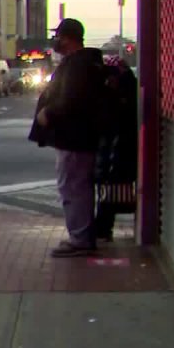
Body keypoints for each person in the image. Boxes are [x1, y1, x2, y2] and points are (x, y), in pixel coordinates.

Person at [28, 18, 112, 257]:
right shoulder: (83, 63)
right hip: (77, 137)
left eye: (59, 36)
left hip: (74, 138)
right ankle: (82, 236)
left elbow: (73, 99)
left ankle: (80, 239)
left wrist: (49, 112)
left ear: (68, 38)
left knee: (73, 187)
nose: (56, 40)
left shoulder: (78, 66)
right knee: (78, 186)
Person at [94, 57, 139, 241]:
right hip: (118, 151)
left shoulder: (116, 97)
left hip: (116, 151)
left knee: (109, 191)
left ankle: (103, 230)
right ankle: (104, 229)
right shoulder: (129, 93)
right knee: (110, 189)